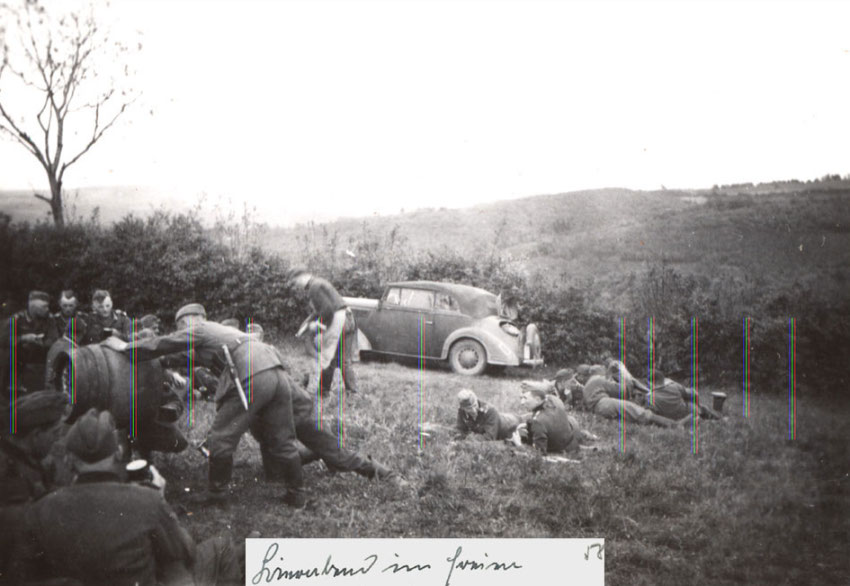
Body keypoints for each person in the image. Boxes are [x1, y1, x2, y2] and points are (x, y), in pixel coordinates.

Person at [8, 408, 241, 586]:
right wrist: (160, 499)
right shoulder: (146, 501)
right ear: (118, 452)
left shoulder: (41, 510)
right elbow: (186, 552)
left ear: (69, 458)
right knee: (223, 548)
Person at [103, 303, 305, 507]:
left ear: (193, 319)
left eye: (181, 324)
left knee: (220, 438)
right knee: (283, 438)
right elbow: (177, 356)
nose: (180, 330)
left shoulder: (203, 328)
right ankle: (297, 494)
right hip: (276, 372)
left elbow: (168, 342)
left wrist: (126, 347)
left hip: (251, 374)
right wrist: (154, 361)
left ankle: (217, 495)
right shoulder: (221, 334)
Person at [0, 391, 67, 581]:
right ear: (36, 435)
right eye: (55, 433)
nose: (57, 440)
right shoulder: (10, 475)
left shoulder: (24, 460)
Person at [290, 270, 359, 397]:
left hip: (340, 320)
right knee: (340, 359)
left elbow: (327, 311)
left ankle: (325, 390)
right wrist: (305, 325)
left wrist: (318, 326)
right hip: (348, 319)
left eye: (296, 282)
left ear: (303, 276)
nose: (297, 286)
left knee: (331, 357)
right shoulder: (319, 283)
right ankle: (346, 391)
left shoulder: (313, 288)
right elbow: (320, 311)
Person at [580, 364, 688, 428]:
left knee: (632, 412)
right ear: (599, 372)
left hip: (600, 407)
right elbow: (622, 391)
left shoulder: (588, 384)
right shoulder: (598, 379)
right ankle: (675, 425)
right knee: (639, 412)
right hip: (603, 403)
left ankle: (670, 423)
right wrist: (622, 376)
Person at [1, 291, 53, 399]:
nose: (47, 309)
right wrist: (24, 338)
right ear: (33, 307)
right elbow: (3, 340)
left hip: (40, 363)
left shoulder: (50, 320)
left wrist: (42, 342)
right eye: (44, 307)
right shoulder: (16, 319)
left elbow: (54, 339)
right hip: (17, 364)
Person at [636, 369, 723, 420]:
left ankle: (707, 414)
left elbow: (651, 413)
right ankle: (716, 417)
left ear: (651, 383)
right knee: (698, 406)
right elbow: (694, 393)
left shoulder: (649, 397)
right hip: (687, 413)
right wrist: (698, 404)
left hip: (670, 419)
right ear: (663, 379)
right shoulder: (674, 386)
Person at [517, 387, 581, 454]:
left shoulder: (537, 421)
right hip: (571, 438)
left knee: (520, 433)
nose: (522, 403)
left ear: (537, 399)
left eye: (525, 398)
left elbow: (539, 452)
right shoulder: (555, 399)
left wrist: (518, 444)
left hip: (559, 448)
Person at [455, 388, 521, 441]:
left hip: (513, 424)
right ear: (463, 408)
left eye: (475, 405)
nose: (473, 410)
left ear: (477, 400)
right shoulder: (461, 412)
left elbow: (489, 438)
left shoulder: (490, 411)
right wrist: (459, 437)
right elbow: (459, 430)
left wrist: (469, 438)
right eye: (469, 408)